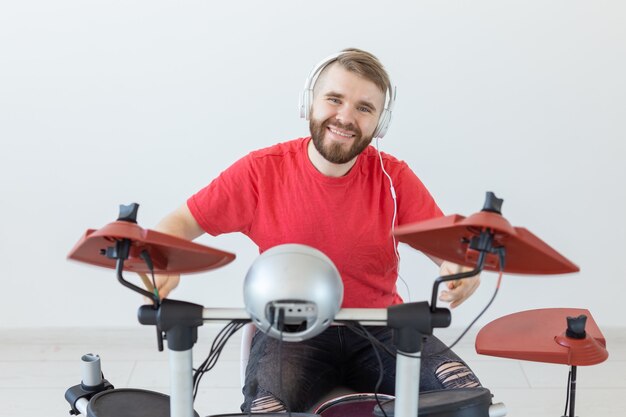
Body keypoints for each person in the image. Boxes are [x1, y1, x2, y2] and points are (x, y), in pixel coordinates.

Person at [153, 48, 482, 412]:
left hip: (380, 328)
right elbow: (180, 223)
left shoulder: (393, 178)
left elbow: (450, 251)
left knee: (464, 398)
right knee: (267, 408)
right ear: (309, 103)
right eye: (334, 99)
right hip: (291, 331)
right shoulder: (261, 171)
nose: (345, 117)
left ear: (380, 124)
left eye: (364, 107)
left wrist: (460, 269)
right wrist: (159, 261)